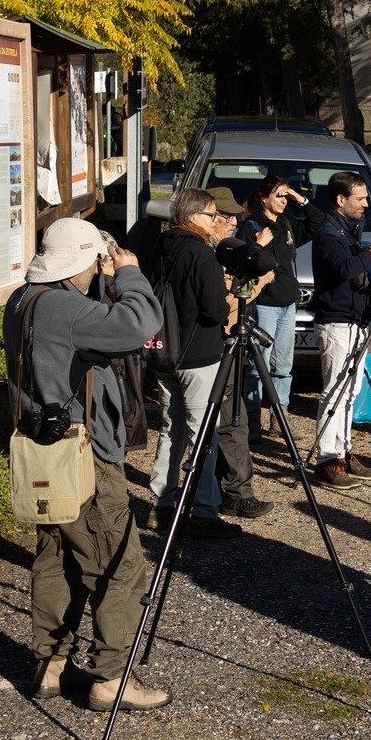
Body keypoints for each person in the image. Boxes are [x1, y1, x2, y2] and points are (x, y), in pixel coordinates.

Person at [6, 218, 169, 712]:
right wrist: (130, 275)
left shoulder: (23, 300)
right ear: (81, 261)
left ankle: (51, 666)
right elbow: (140, 326)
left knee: (56, 557)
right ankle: (111, 677)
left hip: (43, 452)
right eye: (95, 260)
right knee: (118, 562)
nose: (99, 268)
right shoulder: (65, 309)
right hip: (85, 457)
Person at [146, 187, 239, 534]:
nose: (216, 220)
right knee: (204, 435)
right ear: (192, 216)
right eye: (211, 215)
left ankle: (161, 503)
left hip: (163, 350)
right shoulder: (201, 254)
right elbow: (215, 310)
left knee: (173, 429)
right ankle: (204, 510)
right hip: (198, 355)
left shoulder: (162, 245)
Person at [310, 170, 371, 490]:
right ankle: (327, 460)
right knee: (335, 392)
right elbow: (345, 269)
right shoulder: (328, 233)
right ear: (341, 200)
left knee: (351, 392)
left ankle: (343, 449)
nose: (366, 204)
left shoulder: (348, 231)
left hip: (355, 320)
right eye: (360, 199)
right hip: (336, 322)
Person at [208, 186, 274, 522]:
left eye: (235, 214)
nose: (234, 221)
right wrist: (259, 282)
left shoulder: (215, 249)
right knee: (233, 422)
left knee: (225, 421)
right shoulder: (210, 253)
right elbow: (225, 303)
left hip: (223, 342)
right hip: (219, 344)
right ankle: (237, 495)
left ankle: (221, 492)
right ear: (211, 216)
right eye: (227, 215)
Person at [236, 175, 314, 424]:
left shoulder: (286, 224)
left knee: (283, 367)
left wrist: (300, 199)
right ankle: (252, 417)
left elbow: (318, 222)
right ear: (263, 197)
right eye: (279, 195)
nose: (283, 200)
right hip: (264, 305)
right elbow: (242, 263)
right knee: (259, 364)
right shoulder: (252, 227)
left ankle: (279, 415)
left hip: (288, 303)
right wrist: (258, 245)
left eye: (286, 196)